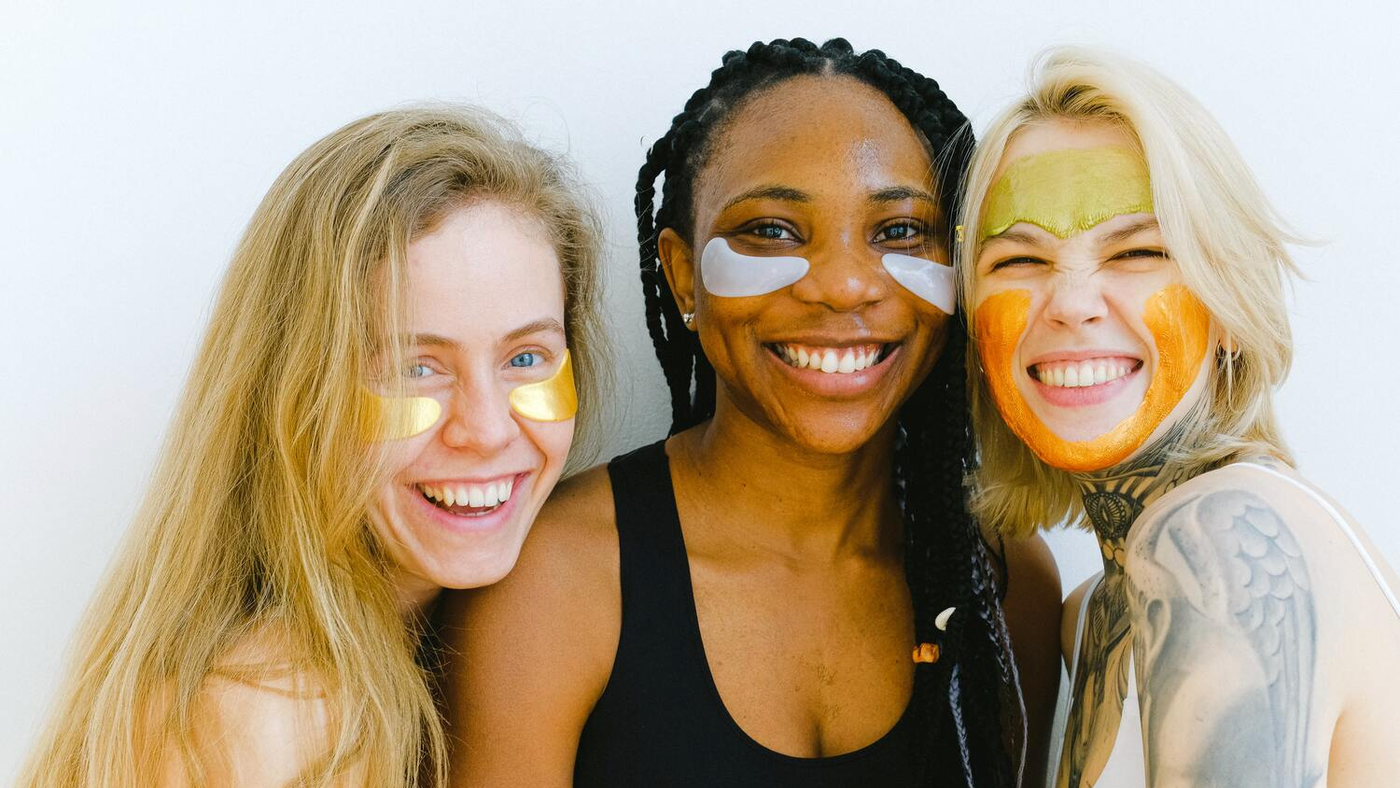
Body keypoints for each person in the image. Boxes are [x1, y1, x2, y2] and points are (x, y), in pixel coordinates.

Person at [443, 38, 1061, 788]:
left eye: (900, 231)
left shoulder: (1002, 579)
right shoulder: (555, 580)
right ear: (682, 277)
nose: (843, 285)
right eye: (771, 230)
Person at [17, 105, 607, 787]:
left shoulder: (470, 640)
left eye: (526, 358)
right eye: (414, 368)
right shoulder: (266, 715)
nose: (488, 429)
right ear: (292, 392)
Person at [959, 46, 1400, 787]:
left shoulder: (1218, 540)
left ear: (1227, 303)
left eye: (1137, 251)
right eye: (1019, 261)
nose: (1071, 304)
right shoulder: (1090, 613)